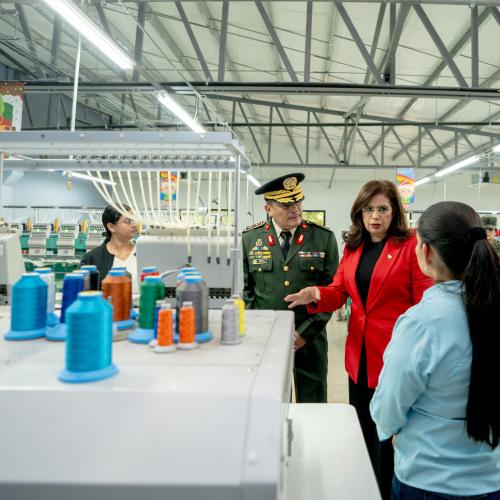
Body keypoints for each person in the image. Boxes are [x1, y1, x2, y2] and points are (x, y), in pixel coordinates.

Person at [284, 179, 433, 499]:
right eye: (368, 209)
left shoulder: (409, 246)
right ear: (359, 212)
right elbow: (339, 291)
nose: (375, 216)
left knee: (390, 438)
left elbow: (425, 303)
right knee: (364, 430)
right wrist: (316, 294)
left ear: (395, 212)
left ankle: (388, 491)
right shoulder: (353, 247)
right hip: (359, 358)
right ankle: (369, 488)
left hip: (395, 358)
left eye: (382, 209)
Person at [370, 201, 500, 499]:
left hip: (429, 481)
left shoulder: (422, 322)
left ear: (425, 252)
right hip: (492, 479)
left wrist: (392, 430)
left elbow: (388, 407)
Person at [242, 173, 339, 403]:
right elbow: (245, 290)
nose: (295, 209)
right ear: (268, 208)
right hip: (267, 339)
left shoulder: (322, 238)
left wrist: (304, 333)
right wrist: (260, 329)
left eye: (298, 201)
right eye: (286, 204)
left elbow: (334, 290)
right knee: (271, 401)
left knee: (313, 402)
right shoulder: (250, 238)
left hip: (310, 338)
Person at [81, 204, 139, 293]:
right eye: (128, 221)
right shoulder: (92, 258)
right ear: (111, 227)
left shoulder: (144, 253)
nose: (134, 225)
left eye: (133, 220)